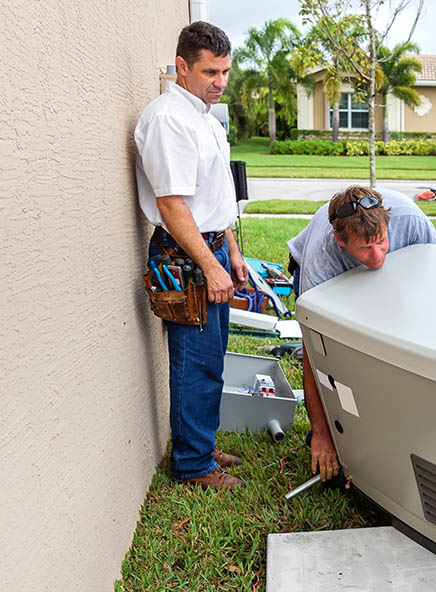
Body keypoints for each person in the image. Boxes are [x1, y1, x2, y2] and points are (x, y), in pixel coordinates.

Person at [135, 22, 248, 489]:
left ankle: (201, 443)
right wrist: (209, 264)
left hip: (211, 247)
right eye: (210, 72)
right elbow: (172, 205)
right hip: (185, 255)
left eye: (225, 71)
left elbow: (213, 197)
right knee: (194, 361)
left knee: (212, 358)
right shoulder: (169, 120)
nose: (221, 82)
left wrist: (232, 252)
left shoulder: (204, 117)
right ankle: (193, 464)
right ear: (182, 66)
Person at [287, 186, 436, 481]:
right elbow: (313, 351)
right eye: (364, 248)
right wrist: (321, 434)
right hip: (330, 280)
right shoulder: (322, 259)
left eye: (381, 241)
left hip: (394, 276)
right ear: (340, 240)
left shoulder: (410, 219)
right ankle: (331, 438)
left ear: (388, 224)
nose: (376, 256)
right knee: (340, 358)